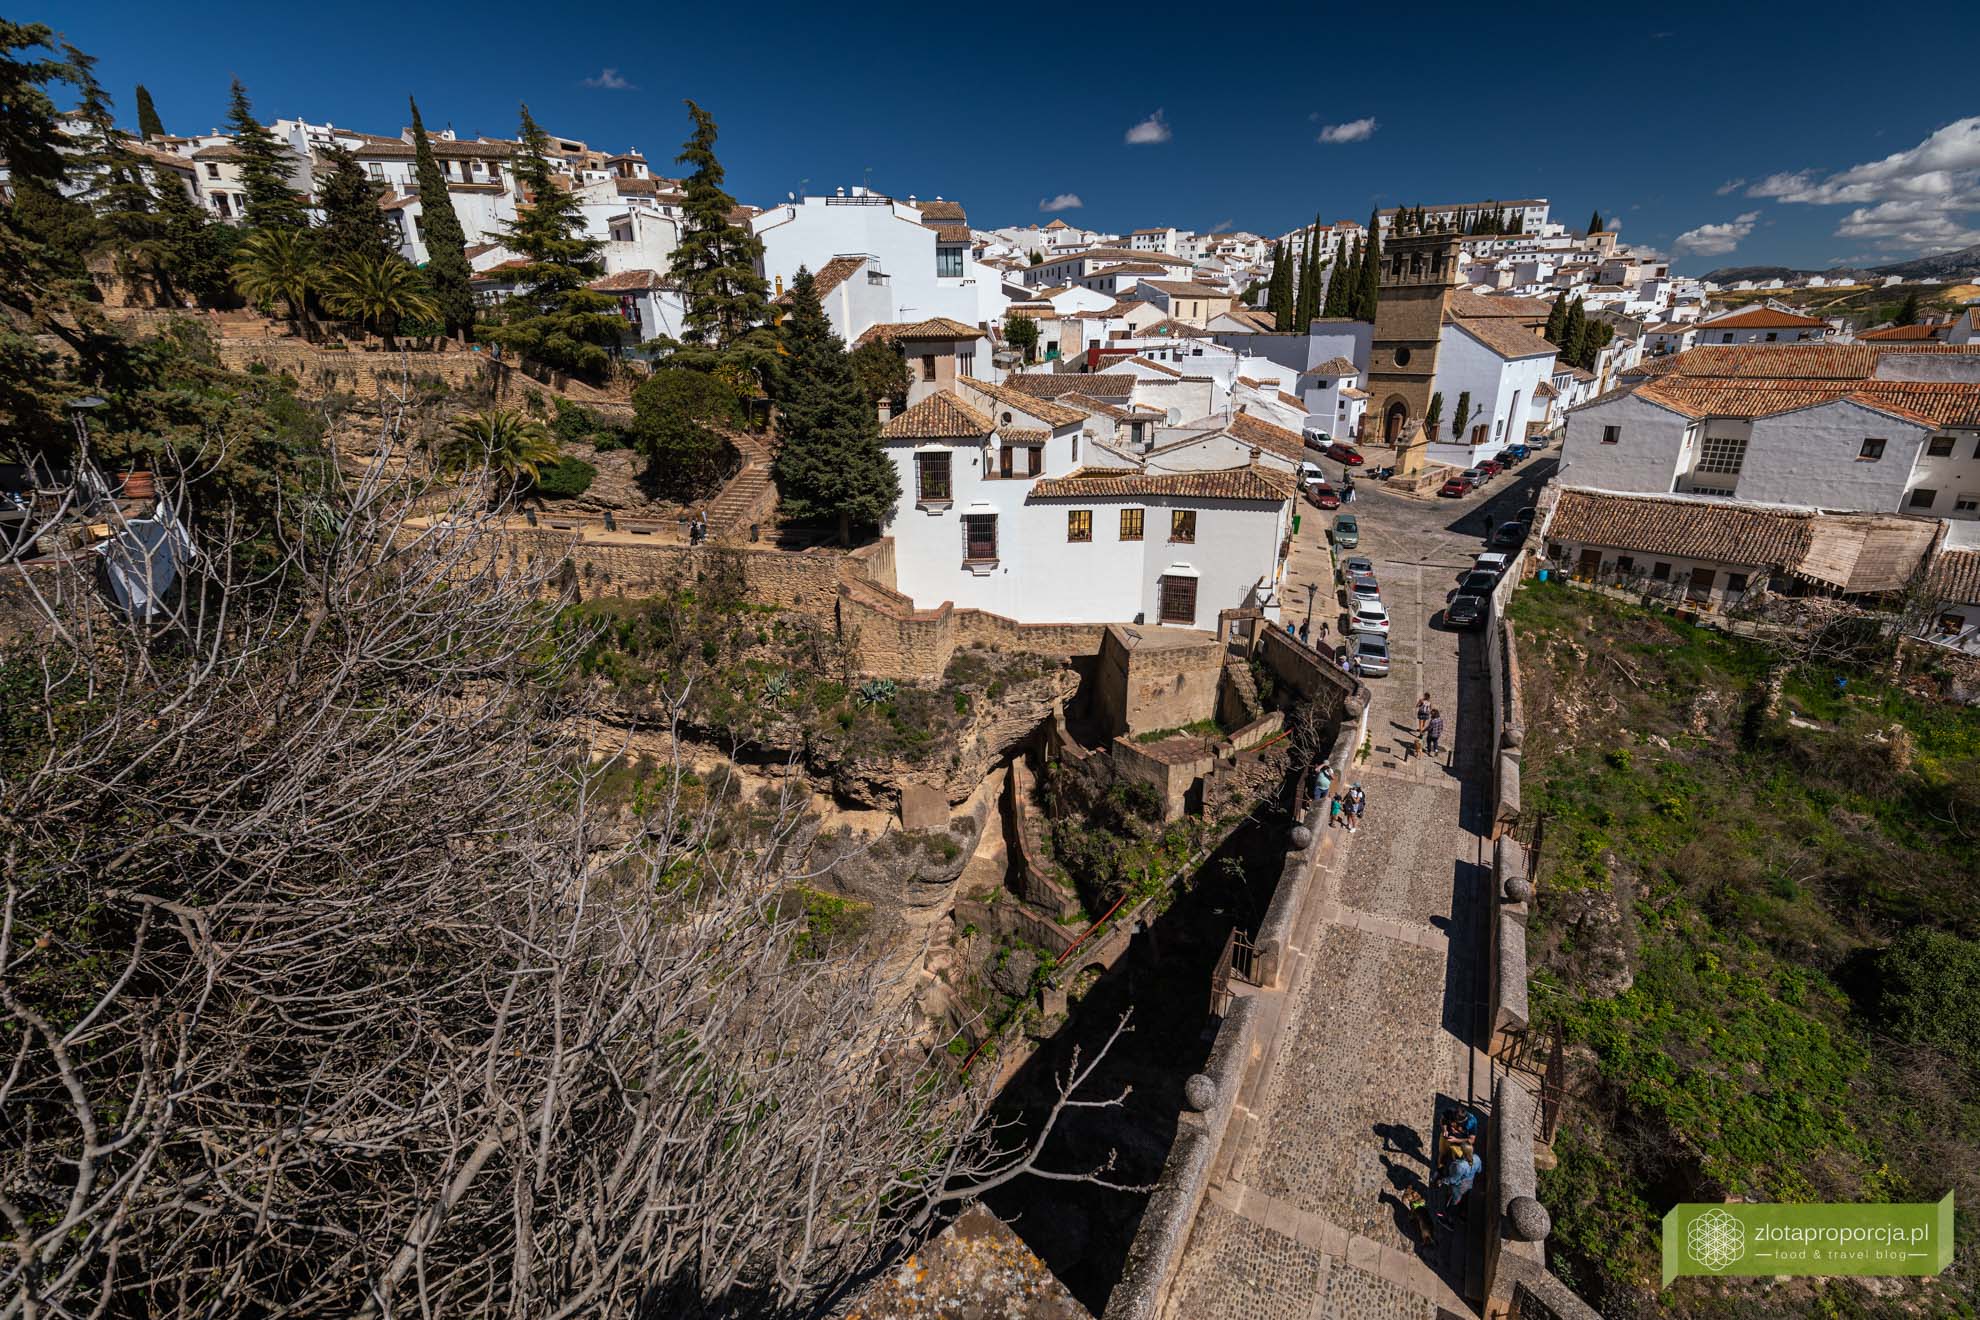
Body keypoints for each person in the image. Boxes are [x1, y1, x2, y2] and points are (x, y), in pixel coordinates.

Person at [1436, 1147, 1482, 1221]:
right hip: (1469, 1184)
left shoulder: (1459, 1165)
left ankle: (1448, 1219)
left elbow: (1453, 1180)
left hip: (1459, 1187)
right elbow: (1479, 1170)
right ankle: (1463, 1215)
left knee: (1454, 1202)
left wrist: (1442, 1180)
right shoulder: (1477, 1158)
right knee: (1464, 1201)